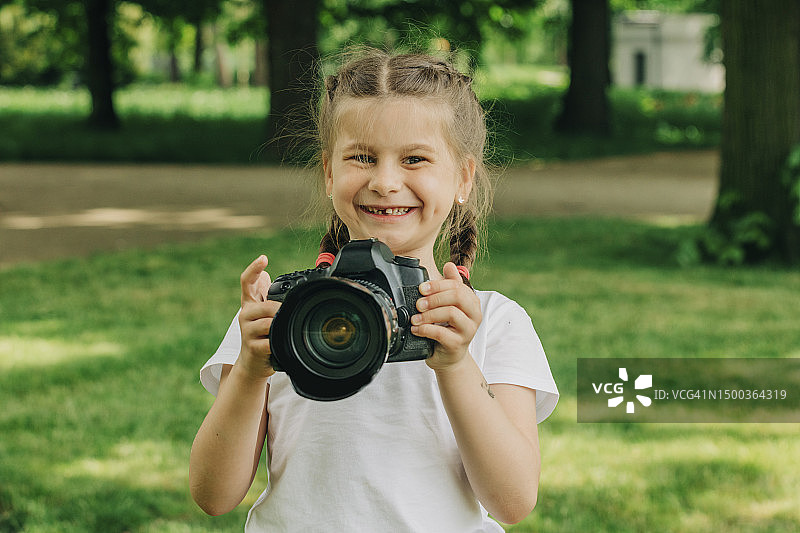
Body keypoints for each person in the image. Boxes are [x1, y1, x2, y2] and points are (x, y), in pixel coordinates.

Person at [189, 49, 559, 532]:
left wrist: (455, 363)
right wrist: (250, 369)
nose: (385, 182)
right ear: (329, 173)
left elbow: (512, 502)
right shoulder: (282, 315)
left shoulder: (494, 322)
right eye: (362, 157)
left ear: (462, 178)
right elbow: (214, 496)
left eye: (415, 159)